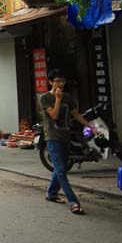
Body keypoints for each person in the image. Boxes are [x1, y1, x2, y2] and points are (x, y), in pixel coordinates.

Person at [39, 68, 93, 215]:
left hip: (65, 137)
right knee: (62, 171)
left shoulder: (68, 98)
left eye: (63, 81)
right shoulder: (45, 98)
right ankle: (73, 202)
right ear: (50, 82)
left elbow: (76, 115)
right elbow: (55, 115)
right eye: (58, 81)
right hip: (53, 137)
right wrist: (57, 99)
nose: (61, 84)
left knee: (59, 168)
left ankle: (51, 193)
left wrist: (91, 126)